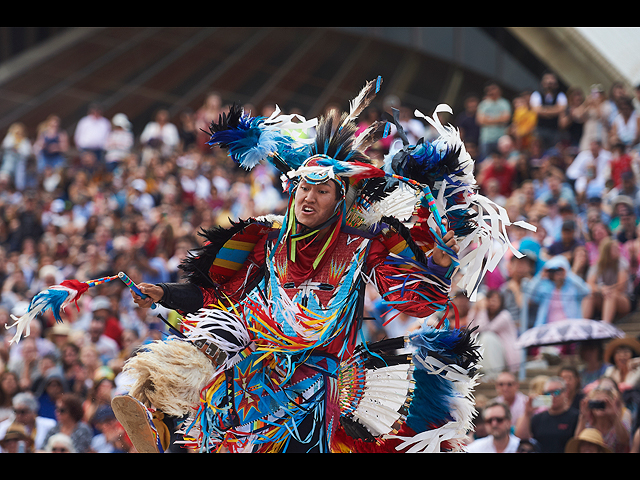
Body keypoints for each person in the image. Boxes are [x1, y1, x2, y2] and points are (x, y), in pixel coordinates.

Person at [94, 80, 526, 453]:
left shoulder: (361, 246)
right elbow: (217, 297)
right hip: (257, 357)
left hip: (315, 380)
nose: (308, 197)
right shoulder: (266, 238)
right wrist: (164, 294)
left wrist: (435, 261)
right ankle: (160, 417)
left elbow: (412, 300)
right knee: (221, 327)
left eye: (321, 190)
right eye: (303, 185)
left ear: (340, 199)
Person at [514, 376, 579, 453]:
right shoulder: (538, 418)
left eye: (556, 392)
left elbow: (579, 441)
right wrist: (527, 413)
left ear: (566, 392)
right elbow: (521, 437)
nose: (552, 396)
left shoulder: (575, 416)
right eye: (548, 393)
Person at [524, 255, 591, 329]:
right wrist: (540, 276)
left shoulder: (572, 288)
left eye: (559, 270)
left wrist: (568, 274)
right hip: (548, 329)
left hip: (571, 328)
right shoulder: (545, 288)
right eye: (553, 271)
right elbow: (529, 294)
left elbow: (587, 291)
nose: (557, 273)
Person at [581, 237, 632, 324]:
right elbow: (589, 284)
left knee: (610, 294)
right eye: (615, 248)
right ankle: (584, 323)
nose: (618, 250)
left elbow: (621, 287)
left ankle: (605, 324)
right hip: (603, 297)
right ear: (607, 251)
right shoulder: (597, 265)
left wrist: (607, 289)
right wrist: (601, 289)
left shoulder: (622, 262)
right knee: (589, 295)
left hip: (623, 299)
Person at [472, 289, 521, 376]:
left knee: (487, 337)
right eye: (490, 299)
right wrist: (475, 309)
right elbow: (472, 328)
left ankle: (493, 373)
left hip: (508, 355)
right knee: (471, 338)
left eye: (495, 300)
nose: (492, 303)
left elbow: (484, 329)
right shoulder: (486, 314)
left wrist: (483, 310)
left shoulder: (504, 315)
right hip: (493, 352)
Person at [575, 379, 631, 453]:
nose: (599, 406)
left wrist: (614, 415)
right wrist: (583, 417)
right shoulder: (588, 426)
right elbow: (577, 444)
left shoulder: (619, 423)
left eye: (603, 403)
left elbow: (624, 440)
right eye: (596, 403)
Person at [530, 72, 568, 151]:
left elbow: (562, 109)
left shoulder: (561, 95)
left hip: (555, 131)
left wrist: (543, 110)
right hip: (540, 129)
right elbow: (536, 110)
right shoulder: (536, 94)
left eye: (551, 81)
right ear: (542, 83)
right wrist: (555, 110)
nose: (549, 83)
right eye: (547, 80)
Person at [476, 81, 512, 161]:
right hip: (486, 138)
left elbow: (506, 118)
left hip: (501, 137)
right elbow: (480, 121)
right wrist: (499, 119)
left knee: (501, 161)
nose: (491, 91)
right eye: (489, 90)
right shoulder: (483, 104)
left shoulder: (504, 103)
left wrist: (488, 119)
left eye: (493, 89)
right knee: (485, 162)